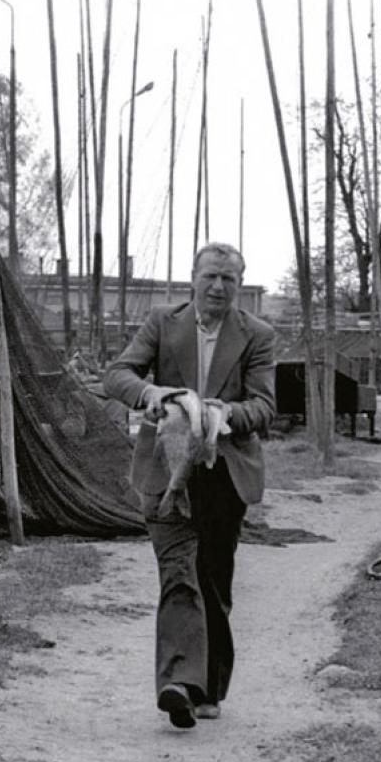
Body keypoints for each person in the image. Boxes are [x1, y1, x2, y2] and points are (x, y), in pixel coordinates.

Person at [104, 242, 276, 728]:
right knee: (178, 571)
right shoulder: (163, 323)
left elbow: (264, 405)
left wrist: (224, 414)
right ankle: (178, 684)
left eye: (229, 279)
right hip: (166, 469)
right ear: (193, 278)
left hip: (225, 472)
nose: (218, 287)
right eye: (210, 276)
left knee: (212, 578)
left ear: (239, 285)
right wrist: (152, 393)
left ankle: (209, 686)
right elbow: (117, 374)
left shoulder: (257, 335)